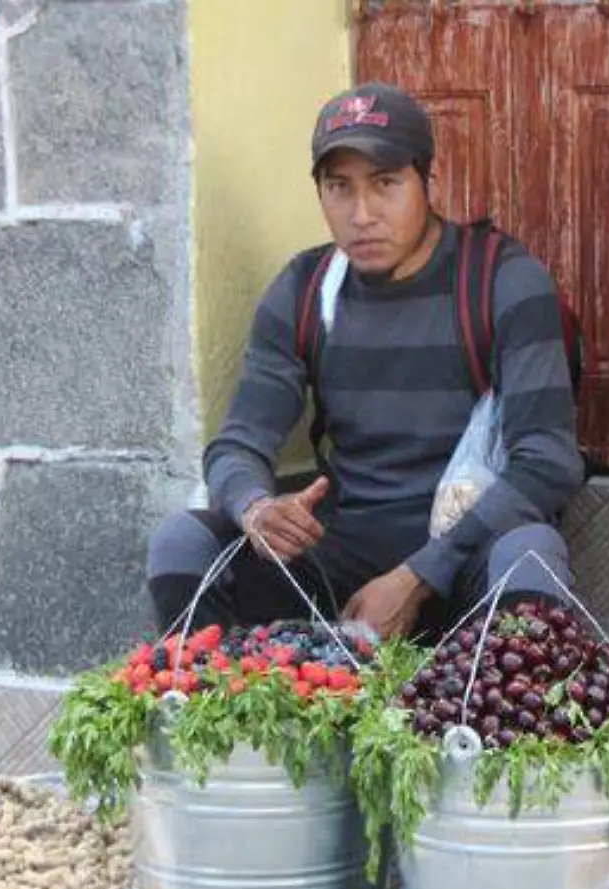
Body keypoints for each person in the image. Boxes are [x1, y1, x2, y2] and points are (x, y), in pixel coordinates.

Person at [147, 83, 584, 640]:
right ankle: (216, 710)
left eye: (385, 184)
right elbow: (237, 445)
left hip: (467, 557)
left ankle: (505, 719)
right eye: (339, 188)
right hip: (342, 569)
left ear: (428, 182)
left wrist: (417, 576)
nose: (362, 214)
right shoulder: (303, 290)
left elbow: (548, 462)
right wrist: (256, 509)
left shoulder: (502, 281)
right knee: (183, 543)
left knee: (533, 554)